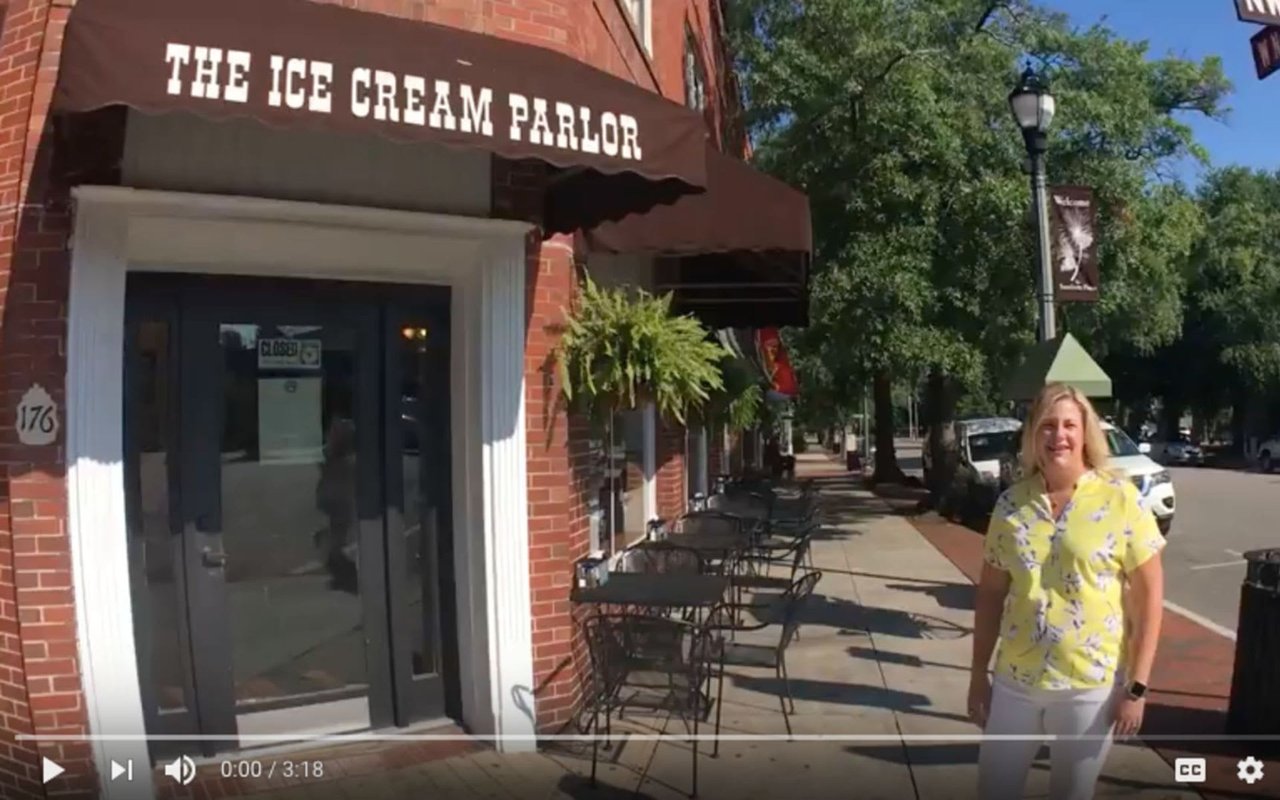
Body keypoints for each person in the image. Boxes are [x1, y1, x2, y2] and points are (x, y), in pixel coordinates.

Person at [968, 382, 1166, 800]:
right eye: (1047, 426)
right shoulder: (1010, 506)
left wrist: (1138, 686)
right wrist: (977, 676)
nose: (1059, 435)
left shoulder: (1120, 499)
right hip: (1015, 682)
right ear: (1033, 435)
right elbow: (989, 597)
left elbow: (1149, 598)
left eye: (1069, 425)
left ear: (1085, 432)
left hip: (1088, 686)